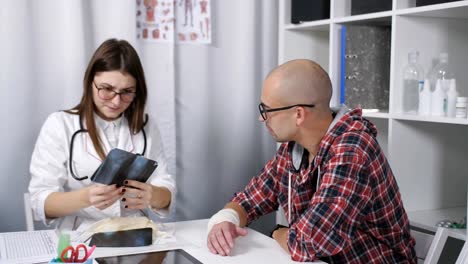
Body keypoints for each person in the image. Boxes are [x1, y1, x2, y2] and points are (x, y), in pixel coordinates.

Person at [206, 59, 416, 263]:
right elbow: (249, 200)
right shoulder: (295, 148)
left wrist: (277, 233)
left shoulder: (352, 150)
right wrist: (226, 219)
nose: (262, 119)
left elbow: (305, 243)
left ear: (298, 114)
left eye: (266, 111)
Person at [28, 38, 175, 232]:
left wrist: (153, 195)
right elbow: (41, 201)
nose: (116, 101)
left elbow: (165, 189)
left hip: (135, 234)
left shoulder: (147, 126)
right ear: (90, 82)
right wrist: (86, 197)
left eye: (127, 92)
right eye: (106, 89)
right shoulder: (59, 124)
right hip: (80, 236)